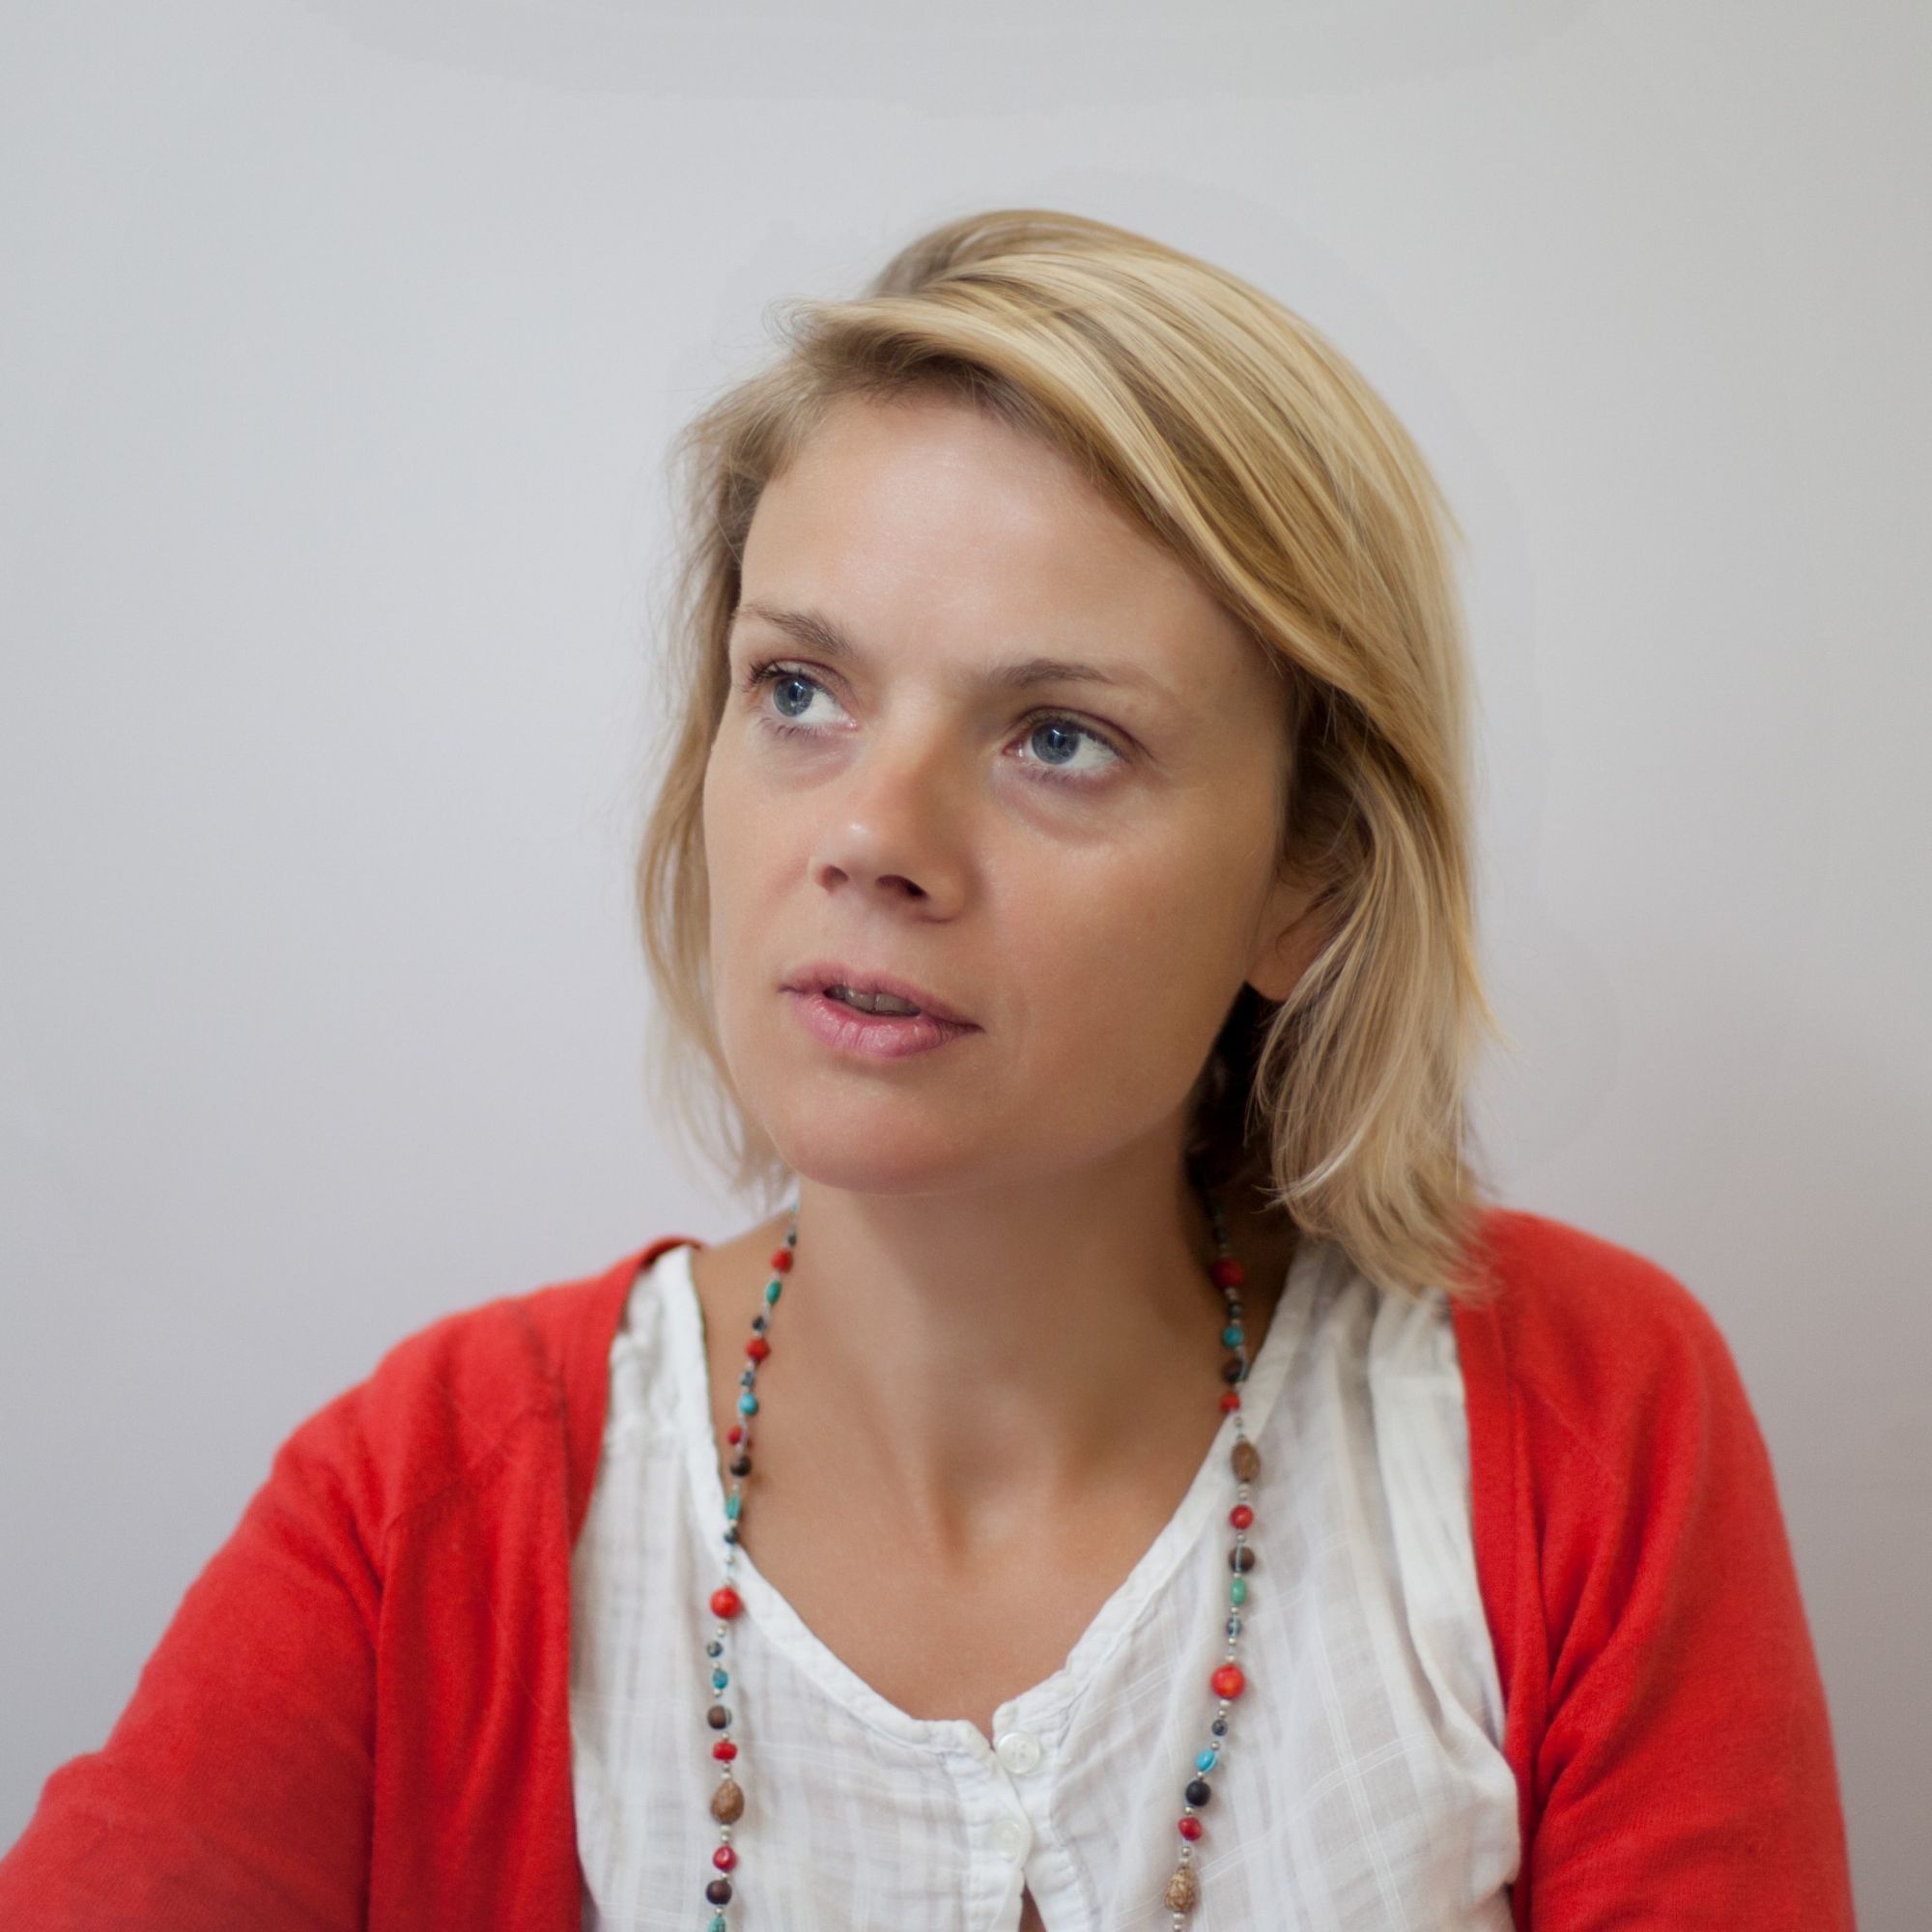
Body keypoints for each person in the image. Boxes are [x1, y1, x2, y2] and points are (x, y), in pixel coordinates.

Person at [0, 209, 1855, 1930]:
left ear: (1309, 881)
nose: (871, 838)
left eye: (1060, 737)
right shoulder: (426, 1507)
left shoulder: (1578, 1425)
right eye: (799, 690)